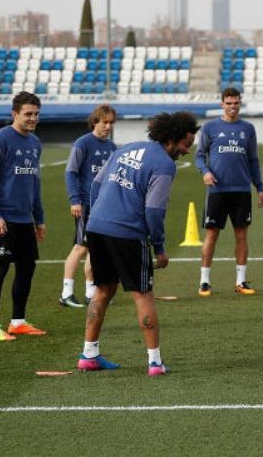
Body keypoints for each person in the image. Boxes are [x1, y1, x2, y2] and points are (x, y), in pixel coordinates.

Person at [77, 111, 199, 376]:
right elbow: (154, 210)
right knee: (142, 294)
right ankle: (155, 362)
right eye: (185, 144)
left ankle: (89, 355)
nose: (186, 151)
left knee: (102, 290)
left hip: (97, 227)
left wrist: (96, 217)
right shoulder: (164, 165)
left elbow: (95, 187)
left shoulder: (127, 148)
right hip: (128, 233)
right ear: (170, 139)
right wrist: (160, 248)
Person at [0, 91, 48, 342]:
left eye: (36, 114)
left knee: (27, 268)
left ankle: (18, 322)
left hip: (25, 220)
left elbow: (35, 184)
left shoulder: (35, 143)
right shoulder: (0, 140)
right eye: (28, 114)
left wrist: (38, 219)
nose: (32, 118)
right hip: (2, 220)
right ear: (15, 114)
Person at [195, 87, 263, 297]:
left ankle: (240, 281)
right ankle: (204, 281)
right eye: (229, 103)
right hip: (217, 190)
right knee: (212, 234)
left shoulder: (248, 128)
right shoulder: (210, 128)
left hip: (241, 190)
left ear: (240, 103)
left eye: (236, 103)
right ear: (221, 104)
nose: (232, 107)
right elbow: (199, 156)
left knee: (241, 235)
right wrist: (205, 172)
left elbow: (253, 160)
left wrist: (259, 187)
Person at [59, 104, 117, 308]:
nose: (108, 126)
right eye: (105, 122)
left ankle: (90, 291)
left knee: (95, 248)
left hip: (103, 206)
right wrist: (74, 199)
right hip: (85, 203)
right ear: (95, 122)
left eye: (111, 122)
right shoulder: (82, 143)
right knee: (80, 247)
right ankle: (66, 293)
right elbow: (71, 172)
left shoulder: (112, 148)